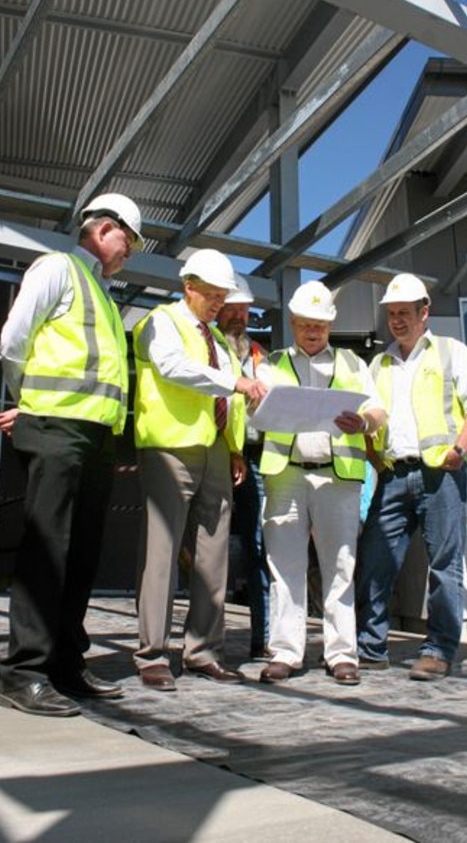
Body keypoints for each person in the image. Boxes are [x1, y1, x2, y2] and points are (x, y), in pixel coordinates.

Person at [0, 192, 143, 716]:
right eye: (130, 238)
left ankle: (64, 664)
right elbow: (14, 340)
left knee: (80, 554)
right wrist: (28, 404)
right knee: (47, 550)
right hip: (56, 428)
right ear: (103, 229)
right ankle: (23, 673)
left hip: (94, 438)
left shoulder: (103, 295)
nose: (132, 250)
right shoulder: (57, 268)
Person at [132, 248, 267, 691]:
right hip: (169, 448)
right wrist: (236, 381)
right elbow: (173, 369)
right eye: (210, 294)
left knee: (214, 556)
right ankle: (153, 654)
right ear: (187, 286)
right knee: (162, 553)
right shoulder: (160, 323)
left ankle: (203, 651)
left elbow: (227, 405)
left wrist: (232, 450)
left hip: (213, 452)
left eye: (221, 296)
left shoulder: (216, 340)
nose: (217, 303)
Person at [355, 272, 467, 680]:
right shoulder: (378, 363)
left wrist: (458, 450)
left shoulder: (452, 352)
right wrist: (374, 459)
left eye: (404, 313)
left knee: (444, 565)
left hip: (441, 474)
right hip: (393, 475)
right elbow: (369, 418)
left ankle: (438, 650)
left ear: (424, 312)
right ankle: (370, 647)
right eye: (392, 314)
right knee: (376, 560)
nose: (397, 320)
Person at [256, 281, 386, 686]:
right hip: (287, 474)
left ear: (331, 325)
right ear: (293, 323)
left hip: (337, 477)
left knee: (341, 567)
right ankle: (285, 652)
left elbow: (379, 411)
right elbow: (253, 413)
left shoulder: (352, 363)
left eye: (322, 324)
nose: (314, 331)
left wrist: (364, 422)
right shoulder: (270, 364)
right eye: (306, 324)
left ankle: (342, 653)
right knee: (285, 566)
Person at [216, 273, 271, 661]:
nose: (239, 316)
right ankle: (204, 638)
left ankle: (263, 638)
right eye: (232, 308)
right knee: (207, 547)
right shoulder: (207, 347)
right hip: (215, 452)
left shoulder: (260, 356)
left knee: (258, 547)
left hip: (254, 457)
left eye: (244, 309)